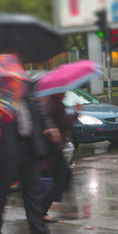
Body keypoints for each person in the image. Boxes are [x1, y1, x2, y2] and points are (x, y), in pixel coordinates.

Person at [0, 85, 65, 234]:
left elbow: (36, 105)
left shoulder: (22, 82)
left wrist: (49, 124)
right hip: (5, 146)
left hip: (29, 144)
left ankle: (39, 232)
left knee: (34, 192)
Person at [40, 92, 80, 222]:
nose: (66, 93)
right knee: (59, 180)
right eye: (63, 91)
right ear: (57, 92)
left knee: (66, 175)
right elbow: (65, 123)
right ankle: (43, 210)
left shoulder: (53, 103)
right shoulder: (55, 104)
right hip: (54, 147)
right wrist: (76, 112)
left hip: (55, 147)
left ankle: (69, 207)